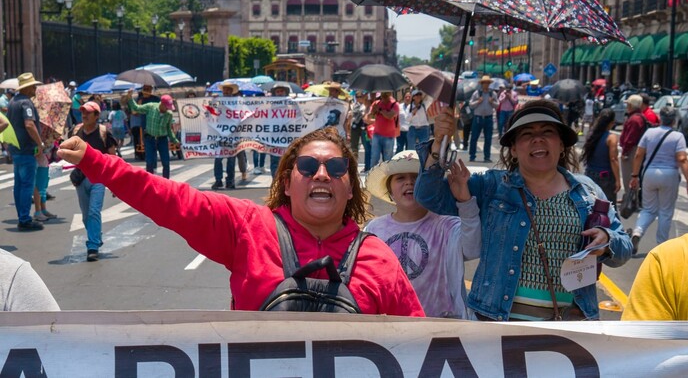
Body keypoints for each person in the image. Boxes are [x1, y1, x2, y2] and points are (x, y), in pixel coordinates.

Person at [58, 127, 425, 316]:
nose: (322, 175)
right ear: (286, 182)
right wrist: (98, 163)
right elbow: (171, 199)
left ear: (350, 189)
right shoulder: (249, 226)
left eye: (337, 168)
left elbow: (423, 349)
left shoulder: (379, 259)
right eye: (309, 166)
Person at [414, 99, 632, 321]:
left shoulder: (588, 192)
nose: (538, 138)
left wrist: (606, 240)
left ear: (561, 144)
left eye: (548, 132)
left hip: (569, 329)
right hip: (496, 323)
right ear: (514, 150)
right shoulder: (491, 186)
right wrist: (437, 144)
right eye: (526, 134)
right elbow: (428, 196)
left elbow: (624, 249)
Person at [364, 150, 480, 318]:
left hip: (441, 325)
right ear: (389, 189)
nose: (409, 183)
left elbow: (473, 247)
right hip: (390, 325)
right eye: (400, 178)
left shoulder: (448, 226)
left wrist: (465, 202)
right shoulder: (374, 230)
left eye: (416, 176)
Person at [629, 106, 688, 254]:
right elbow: (682, 159)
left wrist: (634, 175)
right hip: (669, 174)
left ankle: (638, 232)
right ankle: (661, 245)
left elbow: (639, 155)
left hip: (649, 173)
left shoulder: (649, 132)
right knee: (665, 211)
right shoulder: (678, 136)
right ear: (674, 120)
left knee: (648, 209)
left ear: (661, 118)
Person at [70, 101, 118, 261]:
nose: (84, 115)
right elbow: (67, 153)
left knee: (93, 212)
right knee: (85, 216)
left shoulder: (104, 133)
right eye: (83, 111)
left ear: (97, 115)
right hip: (80, 178)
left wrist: (114, 182)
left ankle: (93, 246)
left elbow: (112, 157)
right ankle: (96, 236)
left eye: (89, 112)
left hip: (98, 179)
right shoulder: (76, 131)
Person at [621, 230, 688, 321]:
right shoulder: (666, 258)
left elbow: (643, 332)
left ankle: (638, 232)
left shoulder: (667, 257)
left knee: (648, 216)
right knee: (663, 223)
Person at [7, 73, 45, 231]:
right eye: (33, 86)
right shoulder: (26, 103)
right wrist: (40, 143)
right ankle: (24, 218)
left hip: (15, 147)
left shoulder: (12, 102)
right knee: (27, 185)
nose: (35, 88)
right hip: (26, 149)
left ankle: (21, 216)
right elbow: (29, 125)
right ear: (27, 87)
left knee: (19, 185)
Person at [124, 89, 179, 179]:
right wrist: (130, 98)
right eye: (167, 107)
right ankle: (150, 182)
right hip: (150, 138)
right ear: (161, 104)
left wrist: (174, 140)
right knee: (149, 162)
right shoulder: (151, 107)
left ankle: (166, 183)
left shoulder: (169, 114)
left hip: (162, 139)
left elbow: (168, 129)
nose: (168, 109)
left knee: (166, 162)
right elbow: (137, 108)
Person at [212, 81, 248, 189]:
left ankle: (230, 180)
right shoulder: (218, 101)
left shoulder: (239, 102)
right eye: (225, 89)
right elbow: (211, 111)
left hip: (234, 134)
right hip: (220, 133)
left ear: (232, 91)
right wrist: (213, 101)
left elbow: (245, 114)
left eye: (228, 89)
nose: (226, 91)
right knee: (218, 158)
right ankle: (218, 180)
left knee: (231, 159)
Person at [581, 109, 621, 206]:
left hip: (590, 174)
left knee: (591, 206)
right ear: (611, 123)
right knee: (608, 208)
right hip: (605, 177)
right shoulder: (611, 138)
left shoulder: (591, 135)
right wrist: (618, 180)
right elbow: (613, 159)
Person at [619, 94, 646, 198]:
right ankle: (631, 198)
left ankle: (630, 199)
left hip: (631, 151)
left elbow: (630, 138)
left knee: (628, 176)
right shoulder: (639, 117)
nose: (627, 106)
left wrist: (625, 152)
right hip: (634, 149)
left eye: (628, 104)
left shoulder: (634, 119)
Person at [468, 75, 498, 162]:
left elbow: (497, 105)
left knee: (488, 138)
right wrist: (478, 101)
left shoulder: (493, 94)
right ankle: (472, 156)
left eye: (487, 83)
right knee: (474, 137)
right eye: (484, 83)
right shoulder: (477, 93)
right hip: (478, 117)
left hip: (488, 118)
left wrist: (492, 102)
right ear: (482, 84)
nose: (486, 85)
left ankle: (487, 156)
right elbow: (471, 104)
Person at [368, 91, 399, 168]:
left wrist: (380, 110)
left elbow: (390, 116)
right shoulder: (377, 103)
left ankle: (387, 177)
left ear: (390, 94)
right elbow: (370, 117)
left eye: (386, 94)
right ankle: (372, 176)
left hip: (389, 136)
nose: (384, 96)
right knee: (374, 158)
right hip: (377, 135)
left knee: (387, 159)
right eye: (383, 94)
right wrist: (373, 109)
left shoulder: (394, 105)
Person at [268, 82, 291, 177]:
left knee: (287, 161)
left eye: (282, 91)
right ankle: (275, 183)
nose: (280, 93)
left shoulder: (291, 103)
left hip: (287, 137)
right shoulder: (269, 104)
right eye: (278, 91)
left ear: (285, 92)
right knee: (274, 162)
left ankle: (285, 183)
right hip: (274, 138)